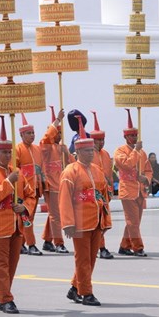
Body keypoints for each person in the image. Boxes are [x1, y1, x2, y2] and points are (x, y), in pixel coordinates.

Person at [0, 115, 36, 314]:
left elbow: (30, 194)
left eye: (9, 152)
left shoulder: (17, 172)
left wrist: (25, 207)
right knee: (0, 265)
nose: (7, 155)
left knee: (11, 265)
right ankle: (6, 299)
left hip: (17, 225)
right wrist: (8, 182)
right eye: (3, 152)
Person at [60, 116, 112, 306]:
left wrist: (106, 220)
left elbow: (104, 195)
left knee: (90, 258)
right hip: (80, 223)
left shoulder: (97, 170)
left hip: (97, 220)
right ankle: (86, 293)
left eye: (92, 149)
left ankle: (75, 288)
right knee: (82, 259)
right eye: (88, 150)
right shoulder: (70, 172)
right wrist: (68, 223)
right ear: (79, 151)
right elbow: (64, 199)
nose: (92, 153)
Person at [114, 109, 152, 257]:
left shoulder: (143, 153)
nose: (134, 137)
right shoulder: (120, 151)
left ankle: (124, 245)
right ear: (125, 136)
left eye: (135, 135)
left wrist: (147, 179)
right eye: (131, 135)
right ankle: (138, 247)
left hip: (140, 191)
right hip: (128, 190)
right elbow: (127, 164)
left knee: (134, 222)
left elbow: (148, 170)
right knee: (133, 222)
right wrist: (136, 151)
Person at [40, 107, 73, 254]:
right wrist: (58, 119)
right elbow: (46, 138)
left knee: (54, 214)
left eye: (61, 132)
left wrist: (67, 153)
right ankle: (59, 242)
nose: (59, 135)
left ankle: (48, 241)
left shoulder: (62, 147)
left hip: (61, 185)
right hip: (51, 185)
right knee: (56, 215)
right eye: (57, 132)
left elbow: (72, 164)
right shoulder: (46, 147)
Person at [16, 113, 44, 256]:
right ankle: (31, 244)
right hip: (24, 190)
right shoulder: (18, 149)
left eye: (33, 132)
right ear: (21, 135)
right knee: (26, 217)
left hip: (36, 188)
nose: (32, 135)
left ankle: (20, 244)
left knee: (28, 218)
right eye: (29, 133)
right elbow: (14, 170)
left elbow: (41, 168)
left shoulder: (37, 149)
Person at [90, 111, 115, 259]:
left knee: (104, 222)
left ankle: (98, 245)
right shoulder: (87, 154)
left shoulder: (106, 154)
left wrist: (111, 189)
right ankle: (102, 247)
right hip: (93, 195)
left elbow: (109, 175)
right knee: (97, 222)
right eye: (98, 140)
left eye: (103, 139)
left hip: (105, 193)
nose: (101, 142)